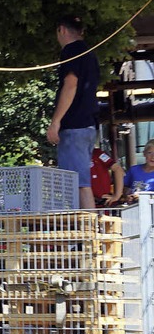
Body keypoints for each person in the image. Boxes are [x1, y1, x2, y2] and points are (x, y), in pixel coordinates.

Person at [47, 14, 100, 209]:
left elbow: (70, 84)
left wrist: (56, 121)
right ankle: (87, 233)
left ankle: (89, 234)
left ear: (61, 30)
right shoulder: (90, 53)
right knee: (79, 181)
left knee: (78, 183)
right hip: (89, 124)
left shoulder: (71, 51)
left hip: (74, 126)